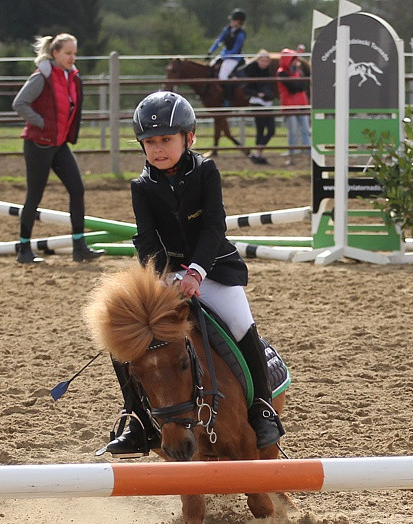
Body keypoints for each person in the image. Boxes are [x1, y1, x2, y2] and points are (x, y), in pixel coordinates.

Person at [100, 91, 285, 457]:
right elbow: (147, 239)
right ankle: (137, 421)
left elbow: (214, 227)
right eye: (149, 142)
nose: (158, 149)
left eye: (166, 140)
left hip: (215, 271)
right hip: (167, 280)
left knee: (242, 327)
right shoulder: (141, 186)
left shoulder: (206, 172)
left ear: (189, 137)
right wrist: (166, 279)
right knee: (126, 341)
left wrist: (196, 273)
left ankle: (262, 409)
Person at [12, 34, 103, 264]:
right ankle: (24, 249)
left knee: (77, 189)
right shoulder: (42, 77)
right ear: (55, 53)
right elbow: (19, 103)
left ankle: (79, 246)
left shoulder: (71, 77)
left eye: (74, 53)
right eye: (68, 53)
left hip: (58, 144)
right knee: (35, 195)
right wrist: (41, 122)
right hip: (38, 144)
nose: (73, 57)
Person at [242, 49, 277, 164]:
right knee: (260, 129)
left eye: (266, 61)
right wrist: (258, 94)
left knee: (271, 130)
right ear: (258, 60)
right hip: (257, 102)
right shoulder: (251, 70)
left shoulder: (268, 71)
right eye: (262, 60)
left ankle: (258, 152)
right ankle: (258, 154)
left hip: (268, 103)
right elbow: (246, 88)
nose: (264, 63)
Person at [276, 48, 310, 164]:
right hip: (289, 105)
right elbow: (293, 87)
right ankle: (292, 155)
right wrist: (299, 83)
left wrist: (298, 83)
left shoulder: (297, 71)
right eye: (293, 59)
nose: (296, 62)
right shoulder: (282, 72)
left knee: (305, 130)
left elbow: (304, 85)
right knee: (293, 131)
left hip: (302, 104)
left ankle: (309, 153)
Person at [208, 8, 247, 106]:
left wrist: (224, 56)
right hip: (223, 55)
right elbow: (219, 41)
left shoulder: (241, 34)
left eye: (233, 20)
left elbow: (235, 48)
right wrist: (210, 51)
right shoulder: (227, 30)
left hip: (233, 58)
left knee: (223, 76)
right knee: (210, 67)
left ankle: (227, 99)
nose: (231, 22)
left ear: (238, 22)